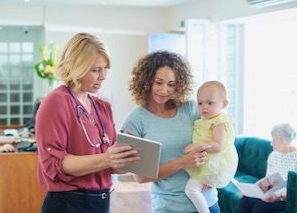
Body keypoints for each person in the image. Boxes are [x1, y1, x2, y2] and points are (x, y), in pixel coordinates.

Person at [36, 33, 140, 213]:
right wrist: (107, 158)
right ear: (76, 67)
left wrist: (131, 159)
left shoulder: (102, 107)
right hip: (69, 204)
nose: (103, 76)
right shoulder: (56, 102)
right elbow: (54, 165)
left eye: (106, 68)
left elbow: (110, 164)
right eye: (95, 70)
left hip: (101, 201)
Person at [121, 50, 220, 213]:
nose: (164, 90)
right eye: (158, 82)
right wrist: (183, 162)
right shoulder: (135, 121)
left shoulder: (191, 108)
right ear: (146, 81)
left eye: (171, 84)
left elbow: (218, 138)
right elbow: (141, 177)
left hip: (208, 203)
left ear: (179, 85)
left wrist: (214, 172)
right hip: (170, 207)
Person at [185, 81, 238, 213]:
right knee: (193, 189)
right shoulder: (205, 119)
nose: (204, 107)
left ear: (224, 104)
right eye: (200, 103)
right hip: (207, 161)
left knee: (191, 189)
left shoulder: (219, 121)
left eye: (210, 103)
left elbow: (218, 146)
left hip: (214, 164)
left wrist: (196, 146)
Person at [239, 123, 297, 213]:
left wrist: (278, 197)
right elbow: (268, 179)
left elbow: (294, 190)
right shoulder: (273, 155)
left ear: (284, 141)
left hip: (286, 199)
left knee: (260, 207)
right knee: (246, 200)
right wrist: (251, 190)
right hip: (270, 194)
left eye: (274, 140)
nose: (271, 143)